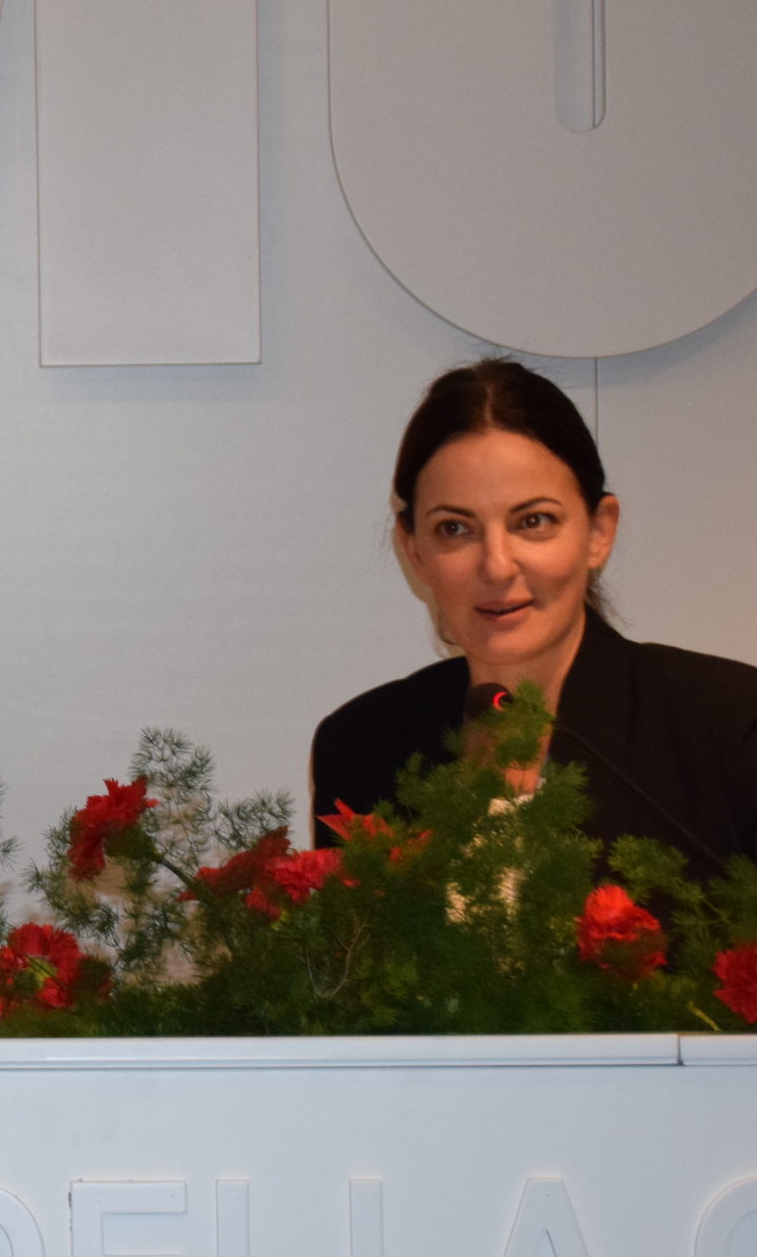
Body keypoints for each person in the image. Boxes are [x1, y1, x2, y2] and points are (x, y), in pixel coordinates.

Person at [311, 356, 757, 878]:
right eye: (454, 528)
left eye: (533, 521)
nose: (497, 566)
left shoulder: (728, 725)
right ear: (414, 549)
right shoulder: (361, 743)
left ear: (599, 531)